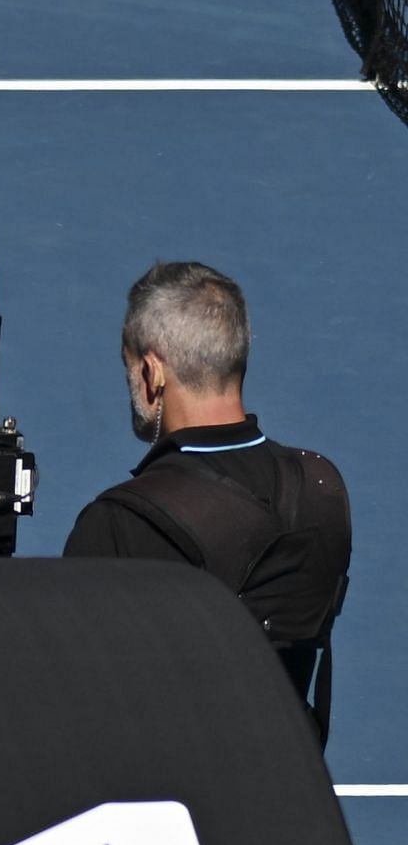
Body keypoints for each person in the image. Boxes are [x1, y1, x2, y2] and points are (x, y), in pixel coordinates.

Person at [64, 262, 352, 738]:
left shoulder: (117, 525)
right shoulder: (324, 491)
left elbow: (75, 703)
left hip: (168, 800)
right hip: (288, 789)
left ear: (152, 373)